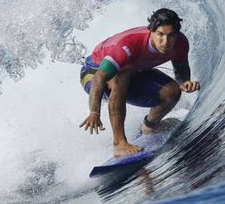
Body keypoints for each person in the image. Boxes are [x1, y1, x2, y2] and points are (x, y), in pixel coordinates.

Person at [79, 8, 200, 157]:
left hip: (133, 72)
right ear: (151, 31)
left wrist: (184, 83)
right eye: (160, 35)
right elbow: (99, 78)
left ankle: (150, 127)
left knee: (172, 91)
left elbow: (181, 72)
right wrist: (94, 112)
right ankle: (119, 144)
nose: (165, 42)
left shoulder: (180, 43)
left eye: (171, 36)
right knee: (120, 76)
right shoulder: (128, 46)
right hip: (93, 73)